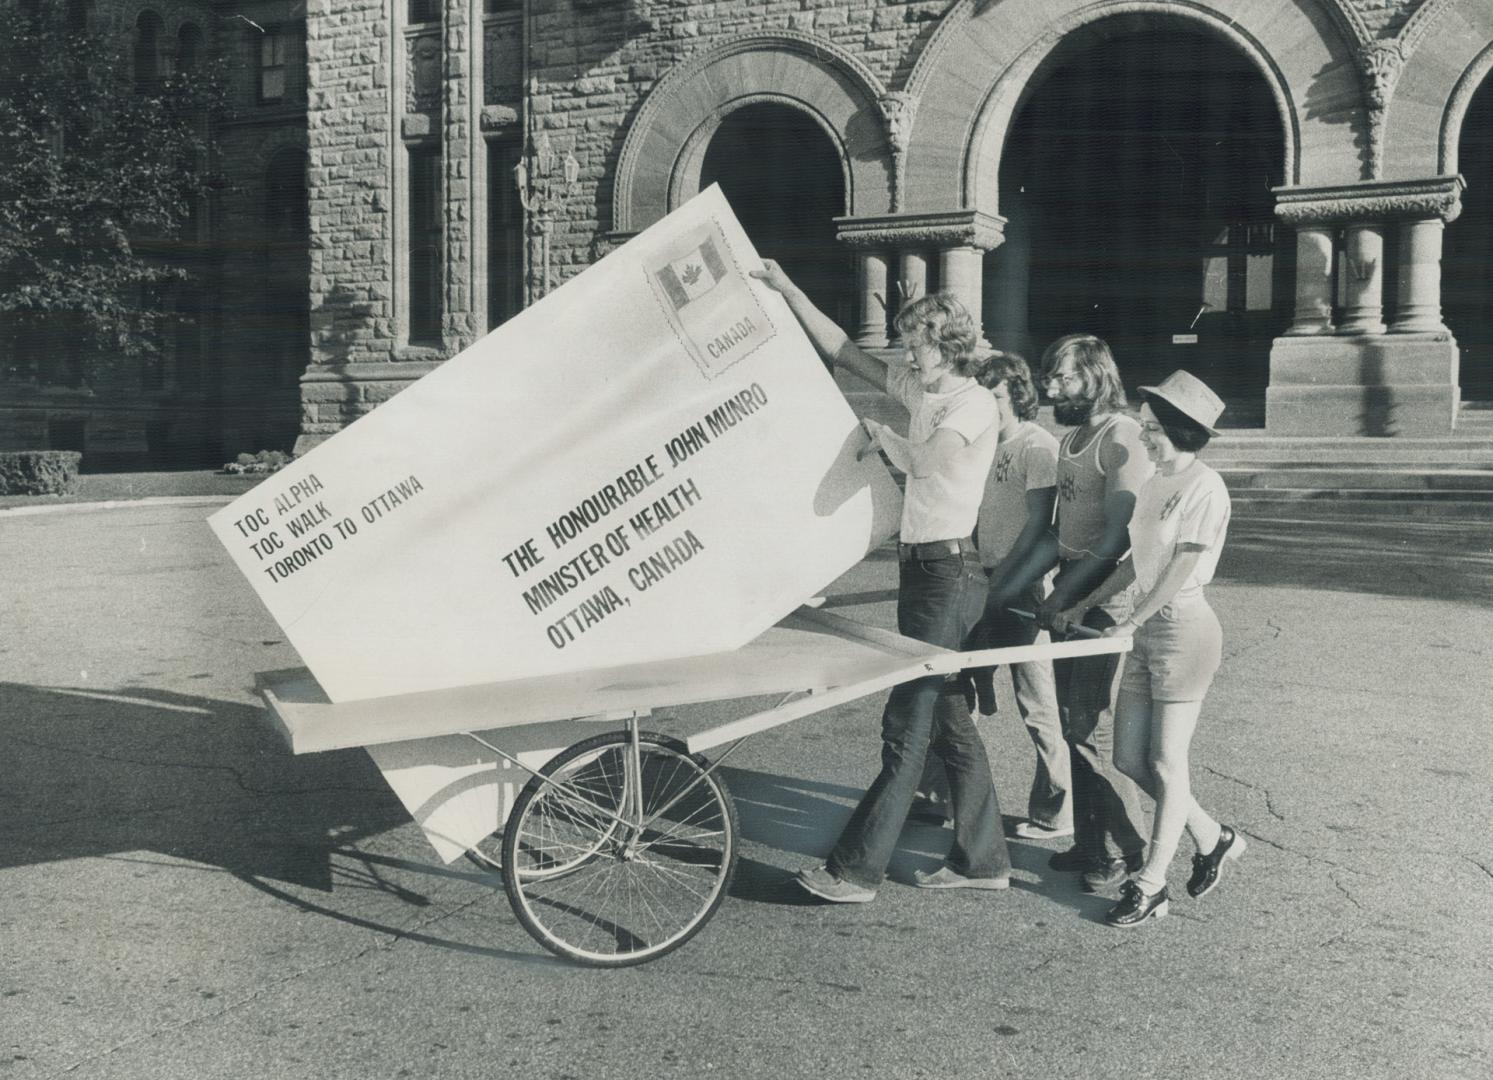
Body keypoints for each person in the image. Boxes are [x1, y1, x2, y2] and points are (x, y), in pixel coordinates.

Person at [751, 258, 1011, 902]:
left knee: (908, 723)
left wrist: (882, 435)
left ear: (945, 344)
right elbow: (842, 347)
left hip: (950, 572)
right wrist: (788, 288)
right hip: (925, 569)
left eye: (917, 344)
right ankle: (985, 862)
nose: (906, 355)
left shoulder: (973, 403)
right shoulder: (924, 392)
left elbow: (927, 461)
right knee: (948, 718)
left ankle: (854, 870)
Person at [1052, 370, 1244, 927]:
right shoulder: (1157, 483)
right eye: (1143, 426)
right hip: (1147, 632)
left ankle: (1152, 884)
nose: (1144, 439)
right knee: (1129, 759)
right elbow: (1137, 563)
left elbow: (1181, 567)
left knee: (1165, 760)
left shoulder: (1206, 487)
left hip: (1185, 633)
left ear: (1182, 432)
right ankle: (1212, 836)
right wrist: (1084, 603)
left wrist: (1129, 621)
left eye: (1153, 429)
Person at [988, 334, 1150, 893]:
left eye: (1063, 379)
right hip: (1071, 597)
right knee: (1070, 721)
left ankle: (1132, 856)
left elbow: (1116, 540)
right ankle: (1089, 844)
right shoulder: (1073, 438)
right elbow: (1059, 535)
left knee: (1089, 734)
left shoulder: (1122, 437)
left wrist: (1067, 599)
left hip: (1104, 603)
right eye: (1050, 378)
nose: (1051, 388)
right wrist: (1004, 585)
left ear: (1096, 376)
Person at [920, 353, 1070, 840]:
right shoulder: (982, 444)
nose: (992, 407)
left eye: (999, 398)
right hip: (978, 578)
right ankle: (938, 795)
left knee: (1037, 701)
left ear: (1020, 395)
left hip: (1021, 584)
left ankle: (1055, 810)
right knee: (955, 689)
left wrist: (1004, 577)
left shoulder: (1038, 446)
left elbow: (1038, 524)